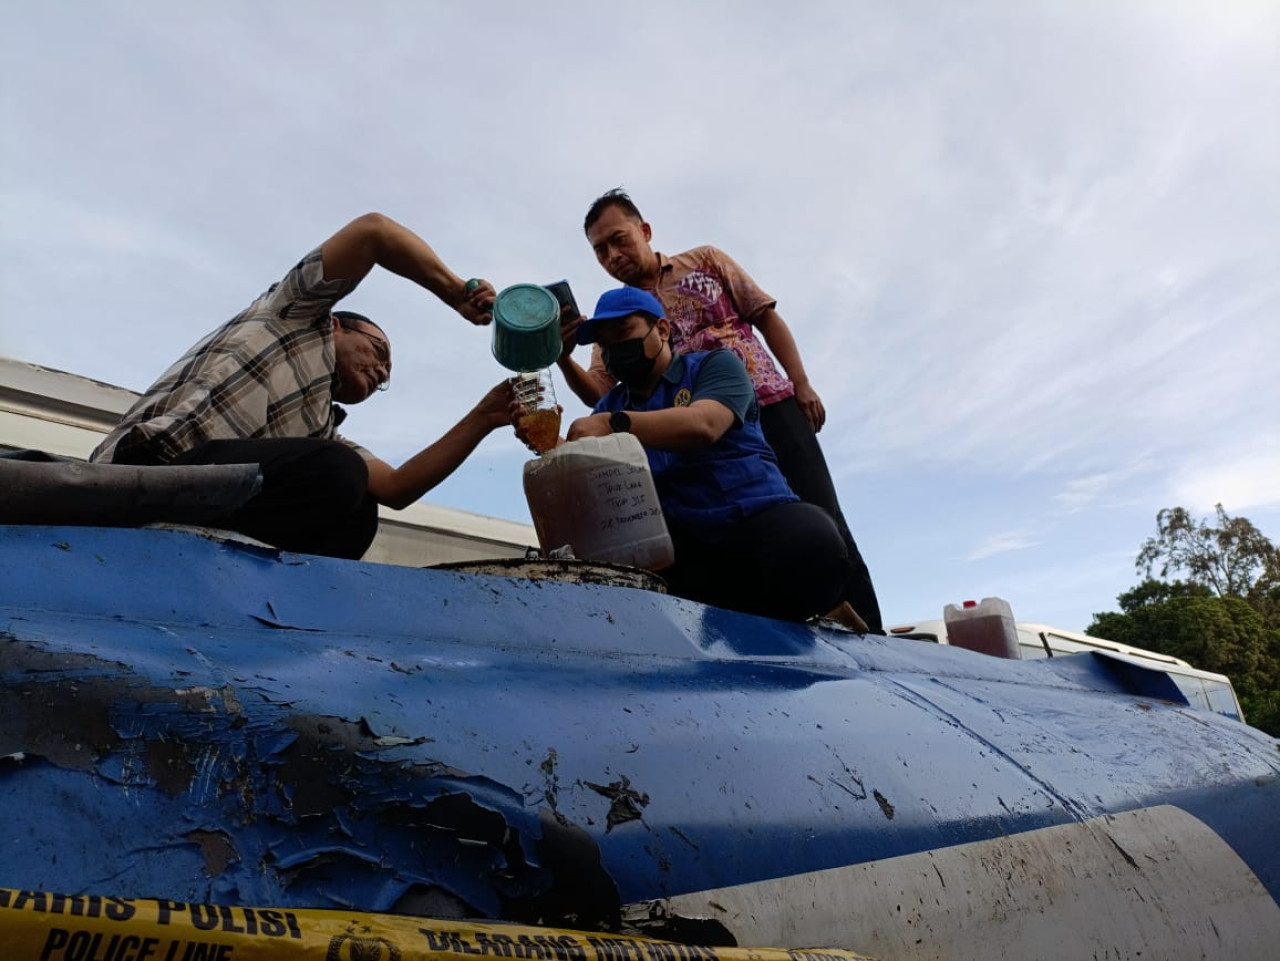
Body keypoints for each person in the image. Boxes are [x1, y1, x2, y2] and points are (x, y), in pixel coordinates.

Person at [91, 212, 511, 560]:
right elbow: (374, 232)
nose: (382, 373)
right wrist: (454, 290)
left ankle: (264, 586)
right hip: (150, 473)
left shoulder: (321, 432)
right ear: (336, 325)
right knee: (337, 471)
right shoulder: (294, 314)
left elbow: (397, 488)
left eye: (386, 376)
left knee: (358, 509)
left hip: (217, 501)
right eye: (379, 353)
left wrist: (484, 418)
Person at [557, 189, 883, 632]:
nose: (613, 255)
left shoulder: (705, 262)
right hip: (675, 432)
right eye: (600, 250)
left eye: (619, 239)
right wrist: (561, 356)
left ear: (645, 231)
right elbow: (599, 393)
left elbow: (764, 315)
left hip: (764, 404)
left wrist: (800, 383)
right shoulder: (610, 321)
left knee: (822, 517)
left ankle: (870, 632)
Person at [559, 287, 850, 623]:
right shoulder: (609, 405)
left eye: (624, 333)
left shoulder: (716, 365)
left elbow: (704, 424)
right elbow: (585, 477)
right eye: (605, 345)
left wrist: (614, 424)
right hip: (682, 551)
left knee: (812, 539)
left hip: (757, 523)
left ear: (663, 330)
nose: (614, 351)